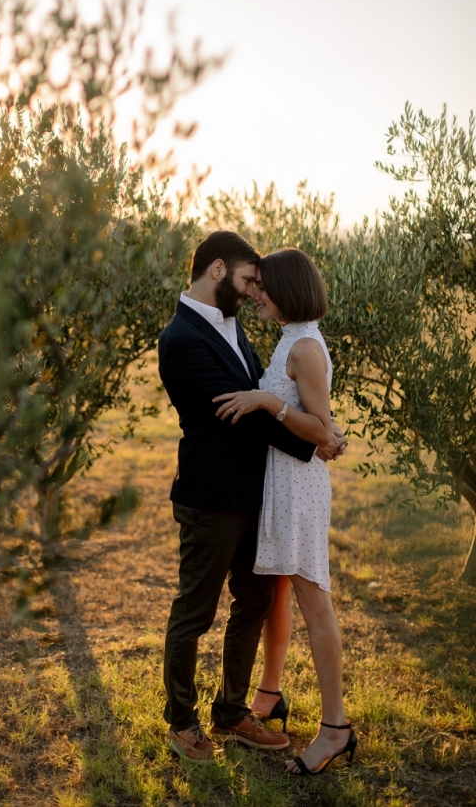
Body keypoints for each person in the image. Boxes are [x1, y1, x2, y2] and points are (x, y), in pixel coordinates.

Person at [158, 232, 346, 761]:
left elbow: (272, 397)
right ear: (217, 269)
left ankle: (233, 710)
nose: (249, 294)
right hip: (211, 498)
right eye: (245, 282)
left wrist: (319, 432)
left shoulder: (233, 327)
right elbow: (240, 420)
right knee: (195, 610)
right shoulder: (181, 339)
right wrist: (318, 441)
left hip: (256, 496)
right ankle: (182, 723)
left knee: (256, 600)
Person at [213, 247, 356, 775]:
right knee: (281, 590)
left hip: (300, 489)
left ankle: (335, 728)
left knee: (315, 602)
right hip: (283, 482)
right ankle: (270, 693)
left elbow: (320, 429)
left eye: (263, 287)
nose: (256, 294)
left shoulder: (305, 350)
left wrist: (265, 402)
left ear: (288, 289)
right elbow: (324, 428)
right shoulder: (292, 339)